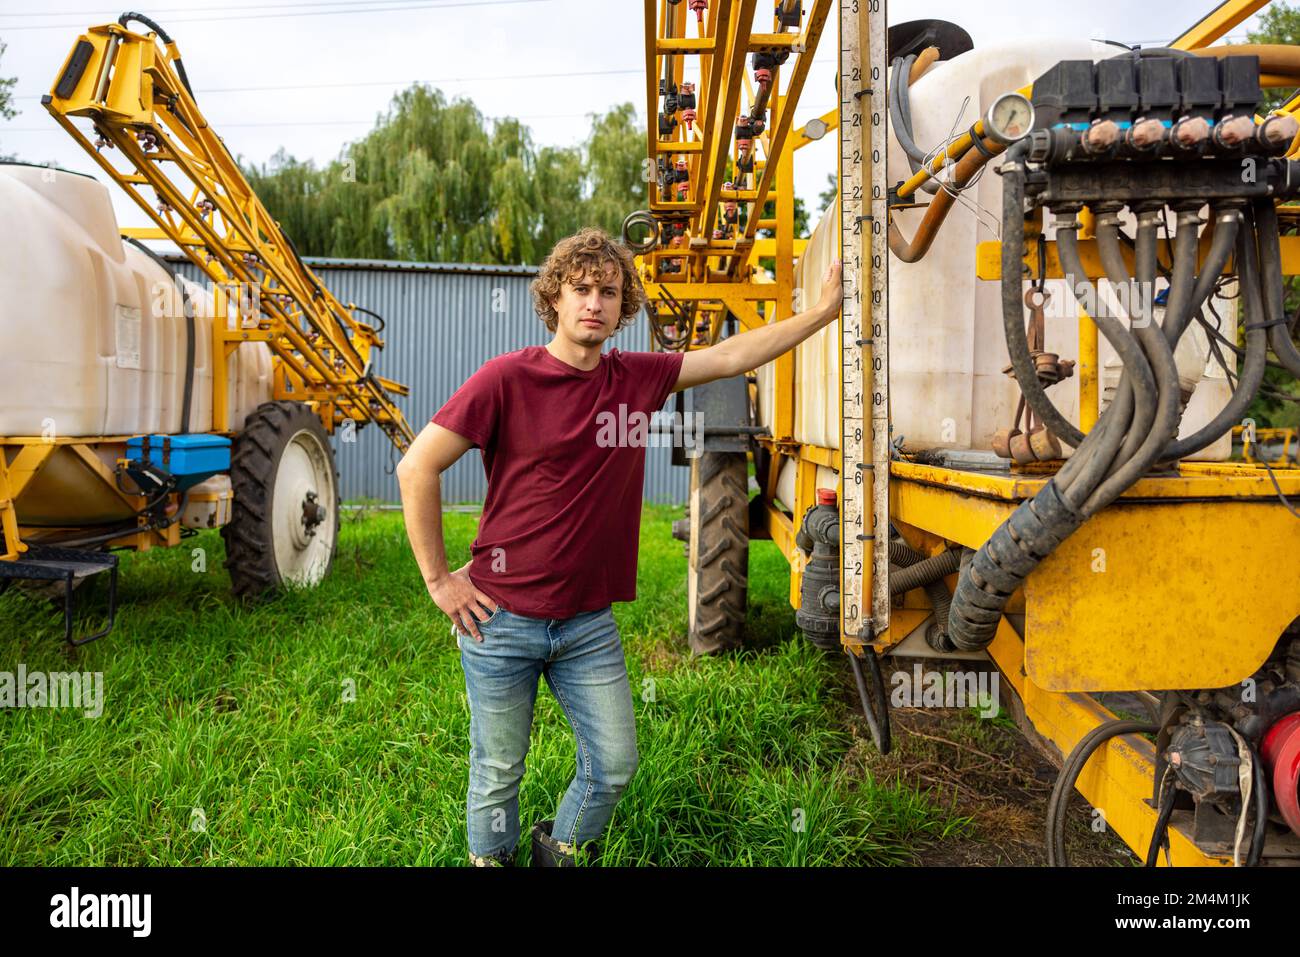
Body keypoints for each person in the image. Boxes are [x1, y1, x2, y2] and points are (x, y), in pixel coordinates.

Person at [396, 226, 842, 866]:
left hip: (586, 623)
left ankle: (561, 850)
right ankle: (490, 858)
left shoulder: (637, 378)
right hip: (500, 618)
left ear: (622, 305)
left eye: (608, 291)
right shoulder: (506, 379)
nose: (594, 303)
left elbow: (733, 357)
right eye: (581, 289)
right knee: (498, 767)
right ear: (554, 296)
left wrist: (822, 314)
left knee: (613, 764)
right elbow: (417, 468)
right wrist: (440, 582)